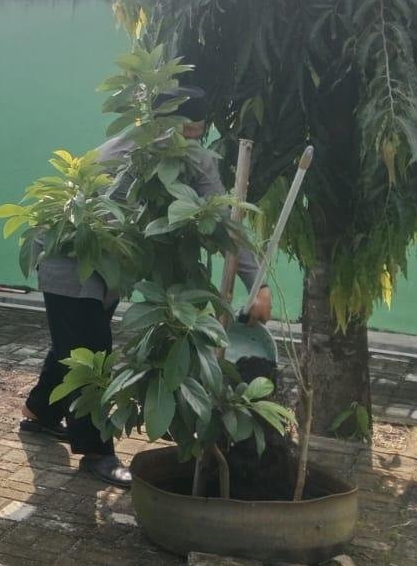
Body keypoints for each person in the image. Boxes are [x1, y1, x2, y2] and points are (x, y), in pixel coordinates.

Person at [22, 85, 271, 488]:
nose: (189, 139)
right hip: (71, 258)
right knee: (90, 352)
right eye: (184, 129)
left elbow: (223, 221)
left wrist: (256, 284)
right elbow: (225, 220)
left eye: (195, 132)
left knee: (74, 341)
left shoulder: (172, 154)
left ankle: (40, 413)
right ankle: (97, 452)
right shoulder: (138, 154)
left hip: (107, 265)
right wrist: (254, 284)